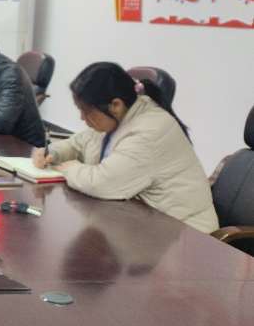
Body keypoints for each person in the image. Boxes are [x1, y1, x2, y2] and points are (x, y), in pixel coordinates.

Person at [32, 62, 218, 233]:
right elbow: (77, 143)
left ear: (116, 105)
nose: (82, 117)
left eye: (87, 111)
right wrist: (54, 153)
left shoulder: (149, 132)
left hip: (186, 235)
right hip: (144, 223)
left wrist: (71, 168)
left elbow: (102, 183)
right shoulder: (117, 117)